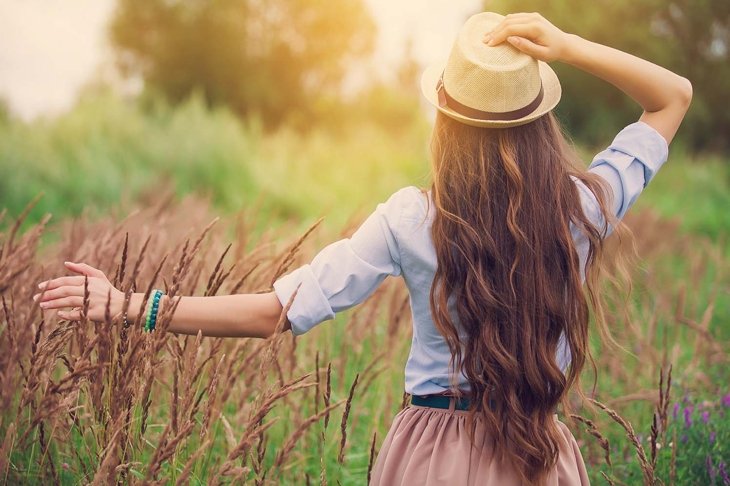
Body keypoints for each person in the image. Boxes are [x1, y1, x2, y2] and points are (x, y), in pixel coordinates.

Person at [33, 11, 691, 486]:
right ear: (539, 122)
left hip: (429, 459)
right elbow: (672, 98)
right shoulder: (581, 207)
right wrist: (568, 44)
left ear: (446, 120)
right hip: (539, 457)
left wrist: (128, 304)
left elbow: (272, 313)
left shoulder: (412, 218)